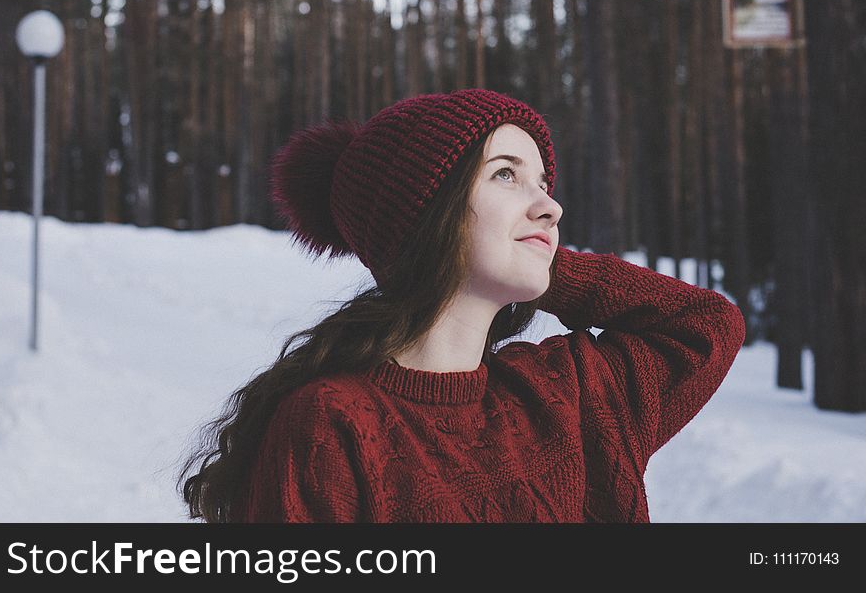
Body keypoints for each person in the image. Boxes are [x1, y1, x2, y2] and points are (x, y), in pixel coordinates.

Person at [179, 88, 746, 522]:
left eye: (543, 182)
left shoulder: (569, 394)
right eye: (506, 174)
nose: (549, 205)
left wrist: (540, 263)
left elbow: (705, 324)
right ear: (427, 215)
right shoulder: (334, 423)